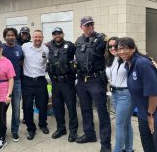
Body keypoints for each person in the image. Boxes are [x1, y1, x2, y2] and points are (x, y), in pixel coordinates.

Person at [117, 37, 157, 152]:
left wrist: (150, 115)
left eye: (124, 48)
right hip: (144, 108)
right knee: (146, 141)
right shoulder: (127, 64)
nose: (121, 52)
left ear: (133, 48)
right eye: (119, 49)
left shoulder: (142, 64)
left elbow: (154, 93)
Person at [75, 16, 111, 152]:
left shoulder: (102, 39)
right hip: (82, 81)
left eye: (91, 24)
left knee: (102, 111)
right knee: (85, 109)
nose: (90, 26)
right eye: (87, 25)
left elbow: (116, 48)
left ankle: (106, 145)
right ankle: (90, 134)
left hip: (96, 80)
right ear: (81, 27)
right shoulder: (78, 40)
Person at [47, 27, 78, 142]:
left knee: (71, 107)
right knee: (57, 107)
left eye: (59, 33)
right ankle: (61, 129)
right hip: (55, 82)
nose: (57, 35)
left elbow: (79, 57)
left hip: (67, 82)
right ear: (52, 36)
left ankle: (73, 131)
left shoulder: (70, 46)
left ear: (63, 34)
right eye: (54, 34)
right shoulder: (49, 46)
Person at [105, 37, 134, 152]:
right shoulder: (109, 60)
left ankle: (117, 150)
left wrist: (150, 60)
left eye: (115, 46)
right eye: (110, 46)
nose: (112, 48)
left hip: (125, 94)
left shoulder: (127, 59)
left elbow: (141, 58)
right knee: (126, 123)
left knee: (119, 125)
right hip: (114, 93)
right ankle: (128, 149)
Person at [22, 29, 49, 140]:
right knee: (27, 107)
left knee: (42, 105)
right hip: (27, 81)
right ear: (32, 38)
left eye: (39, 37)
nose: (37, 39)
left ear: (42, 38)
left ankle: (42, 124)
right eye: (35, 37)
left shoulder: (46, 50)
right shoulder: (25, 47)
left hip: (41, 81)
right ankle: (30, 129)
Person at [2, 28, 24, 142]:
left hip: (16, 82)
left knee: (16, 108)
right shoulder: (1, 49)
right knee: (3, 109)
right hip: (3, 83)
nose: (10, 37)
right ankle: (2, 131)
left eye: (12, 35)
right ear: (5, 37)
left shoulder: (19, 49)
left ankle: (14, 131)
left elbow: (21, 63)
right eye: (8, 35)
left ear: (15, 36)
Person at [16, 26, 31, 125]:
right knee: (16, 99)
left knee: (26, 98)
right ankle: (16, 118)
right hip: (17, 74)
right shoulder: (16, 44)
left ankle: (26, 117)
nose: (24, 35)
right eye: (23, 33)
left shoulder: (30, 44)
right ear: (20, 34)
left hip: (26, 74)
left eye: (26, 33)